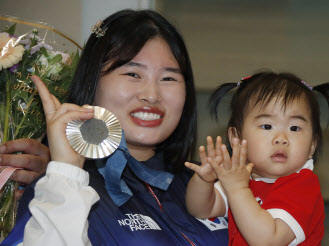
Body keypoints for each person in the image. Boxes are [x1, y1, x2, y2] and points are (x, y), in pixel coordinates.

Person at [1, 9, 229, 245]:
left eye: (169, 78)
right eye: (133, 73)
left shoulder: (209, 186)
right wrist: (66, 175)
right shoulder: (64, 188)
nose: (152, 95)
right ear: (93, 81)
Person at [185, 72, 329, 245]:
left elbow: (268, 240)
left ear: (312, 146)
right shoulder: (242, 180)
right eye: (267, 126)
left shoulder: (302, 187)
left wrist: (238, 190)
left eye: (294, 128)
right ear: (237, 139)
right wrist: (204, 181)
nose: (281, 138)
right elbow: (201, 209)